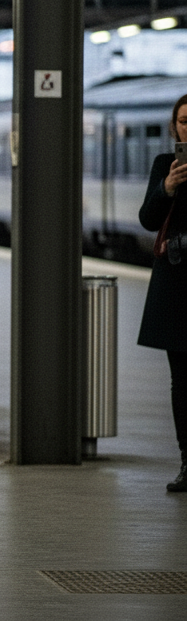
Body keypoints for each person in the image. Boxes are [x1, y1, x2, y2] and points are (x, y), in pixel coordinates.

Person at [139, 93, 187, 492]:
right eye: (185, 121)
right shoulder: (164, 166)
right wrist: (167, 188)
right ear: (175, 127)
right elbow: (147, 219)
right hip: (176, 282)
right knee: (182, 380)